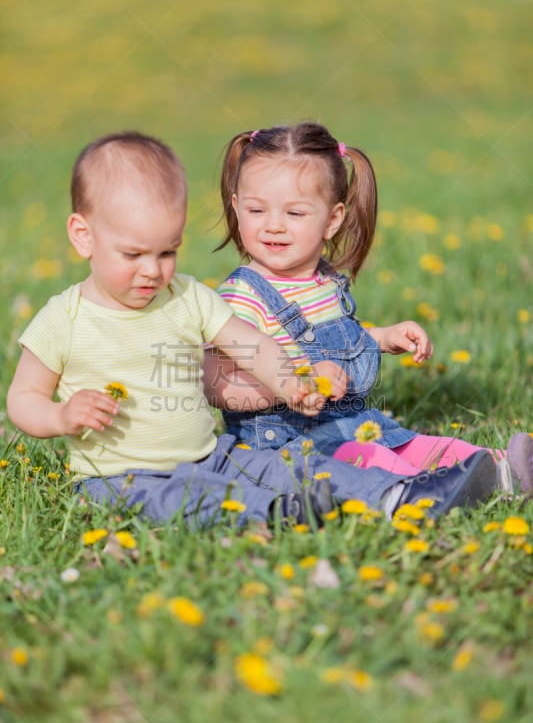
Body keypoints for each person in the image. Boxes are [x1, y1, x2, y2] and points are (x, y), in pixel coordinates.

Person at [6, 130, 499, 528]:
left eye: (168, 251)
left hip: (208, 453)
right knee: (189, 499)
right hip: (119, 477)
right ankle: (278, 515)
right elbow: (22, 398)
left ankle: (400, 497)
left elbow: (253, 344)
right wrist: (61, 416)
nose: (153, 271)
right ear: (83, 235)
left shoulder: (188, 296)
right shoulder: (63, 318)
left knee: (300, 466)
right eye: (133, 254)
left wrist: (289, 381)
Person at [208, 122, 532, 494]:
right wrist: (292, 383)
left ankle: (503, 469)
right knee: (380, 461)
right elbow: (217, 384)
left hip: (351, 423)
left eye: (294, 214)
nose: (274, 226)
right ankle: (431, 492)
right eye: (256, 210)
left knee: (416, 445)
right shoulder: (242, 297)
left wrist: (380, 338)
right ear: (236, 207)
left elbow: (337, 340)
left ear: (332, 220)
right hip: (289, 444)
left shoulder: (323, 281)